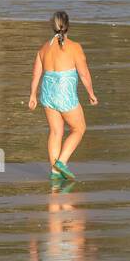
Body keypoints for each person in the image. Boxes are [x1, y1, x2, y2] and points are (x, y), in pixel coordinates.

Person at [28, 11, 97, 184]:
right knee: (79, 129)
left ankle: (54, 171)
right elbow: (84, 74)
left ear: (53, 26)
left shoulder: (43, 48)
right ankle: (61, 163)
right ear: (68, 25)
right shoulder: (75, 47)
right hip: (64, 93)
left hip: (47, 93)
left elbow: (36, 75)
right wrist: (91, 93)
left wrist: (32, 95)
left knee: (56, 131)